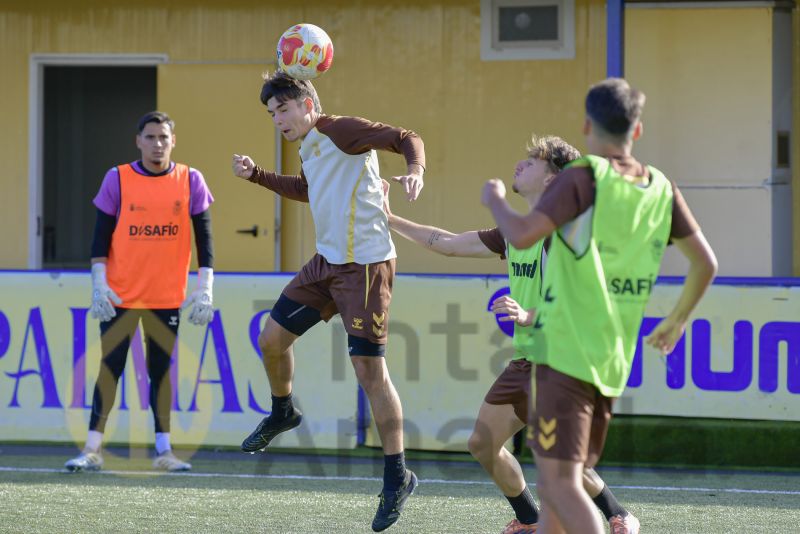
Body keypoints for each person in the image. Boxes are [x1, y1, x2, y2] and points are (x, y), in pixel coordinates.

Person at [482, 78, 718, 533]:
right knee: (558, 485)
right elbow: (705, 263)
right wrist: (677, 320)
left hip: (565, 350)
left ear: (588, 125)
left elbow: (523, 234)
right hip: (611, 355)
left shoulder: (583, 176)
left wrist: (494, 200)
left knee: (560, 485)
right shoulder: (660, 188)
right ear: (638, 130)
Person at [382, 135, 639, 534]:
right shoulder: (515, 233)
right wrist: (389, 218)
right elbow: (448, 244)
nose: (520, 165)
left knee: (561, 461)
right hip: (526, 362)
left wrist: (527, 314)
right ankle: (529, 519)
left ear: (552, 179)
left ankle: (618, 515)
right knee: (482, 444)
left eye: (532, 162)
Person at [231, 71, 424, 532]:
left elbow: (406, 137)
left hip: (366, 267)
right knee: (271, 340)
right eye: (271, 113)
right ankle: (283, 411)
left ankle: (397, 477)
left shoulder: (340, 129)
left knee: (370, 373)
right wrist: (256, 175)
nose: (277, 119)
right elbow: (307, 189)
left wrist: (416, 170)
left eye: (283, 109)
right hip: (327, 263)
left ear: (307, 103)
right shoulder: (310, 145)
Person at [65, 111, 216, 473]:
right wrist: (99, 284)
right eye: (150, 137)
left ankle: (164, 450)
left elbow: (205, 239)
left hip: (167, 297)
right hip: (120, 296)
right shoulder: (117, 178)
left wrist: (205, 288)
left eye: (163, 137)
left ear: (173, 141)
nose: (157, 144)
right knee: (110, 368)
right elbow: (100, 238)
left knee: (161, 373)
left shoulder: (190, 179)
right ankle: (92, 449)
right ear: (138, 141)